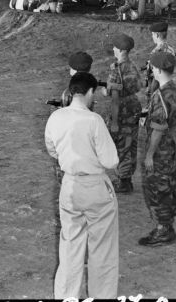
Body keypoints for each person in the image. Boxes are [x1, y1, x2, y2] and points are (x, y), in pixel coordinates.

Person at [45, 72, 119, 299]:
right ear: (90, 92)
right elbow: (111, 161)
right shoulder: (94, 120)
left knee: (69, 246)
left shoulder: (56, 118)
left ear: (70, 92)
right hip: (95, 186)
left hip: (69, 185)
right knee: (102, 249)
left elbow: (52, 150)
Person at [139, 52, 176, 246]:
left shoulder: (161, 95)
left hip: (162, 149)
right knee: (169, 183)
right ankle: (168, 224)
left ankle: (163, 229)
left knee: (157, 186)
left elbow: (158, 127)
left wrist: (149, 154)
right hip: (173, 145)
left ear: (157, 70)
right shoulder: (174, 87)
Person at [106, 33, 143, 193]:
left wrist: (113, 122)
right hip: (133, 106)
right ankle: (126, 178)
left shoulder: (117, 70)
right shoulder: (132, 66)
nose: (113, 49)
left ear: (121, 50)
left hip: (121, 110)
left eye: (115, 47)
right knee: (130, 143)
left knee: (121, 145)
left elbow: (115, 99)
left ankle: (124, 181)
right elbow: (138, 86)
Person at [144, 21, 175, 98]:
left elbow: (154, 76)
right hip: (169, 84)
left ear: (157, 35)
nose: (152, 37)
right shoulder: (171, 49)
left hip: (157, 87)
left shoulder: (155, 52)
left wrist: (151, 92)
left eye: (152, 34)